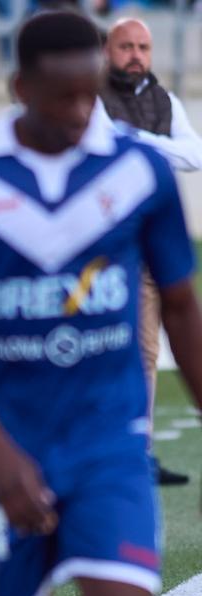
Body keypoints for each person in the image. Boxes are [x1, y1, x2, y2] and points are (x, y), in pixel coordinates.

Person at [0, 11, 202, 596]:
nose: (81, 110)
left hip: (110, 443)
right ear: (20, 87)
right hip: (4, 446)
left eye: (90, 93)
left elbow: (183, 306)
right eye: (64, 95)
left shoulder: (138, 172)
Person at [99, 16, 202, 486]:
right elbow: (105, 146)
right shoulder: (92, 96)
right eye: (126, 46)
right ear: (107, 50)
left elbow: (195, 155)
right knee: (112, 352)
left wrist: (140, 141)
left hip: (152, 243)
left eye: (143, 46)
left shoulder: (164, 100)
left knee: (146, 352)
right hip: (107, 248)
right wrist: (158, 147)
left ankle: (136, 450)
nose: (136, 55)